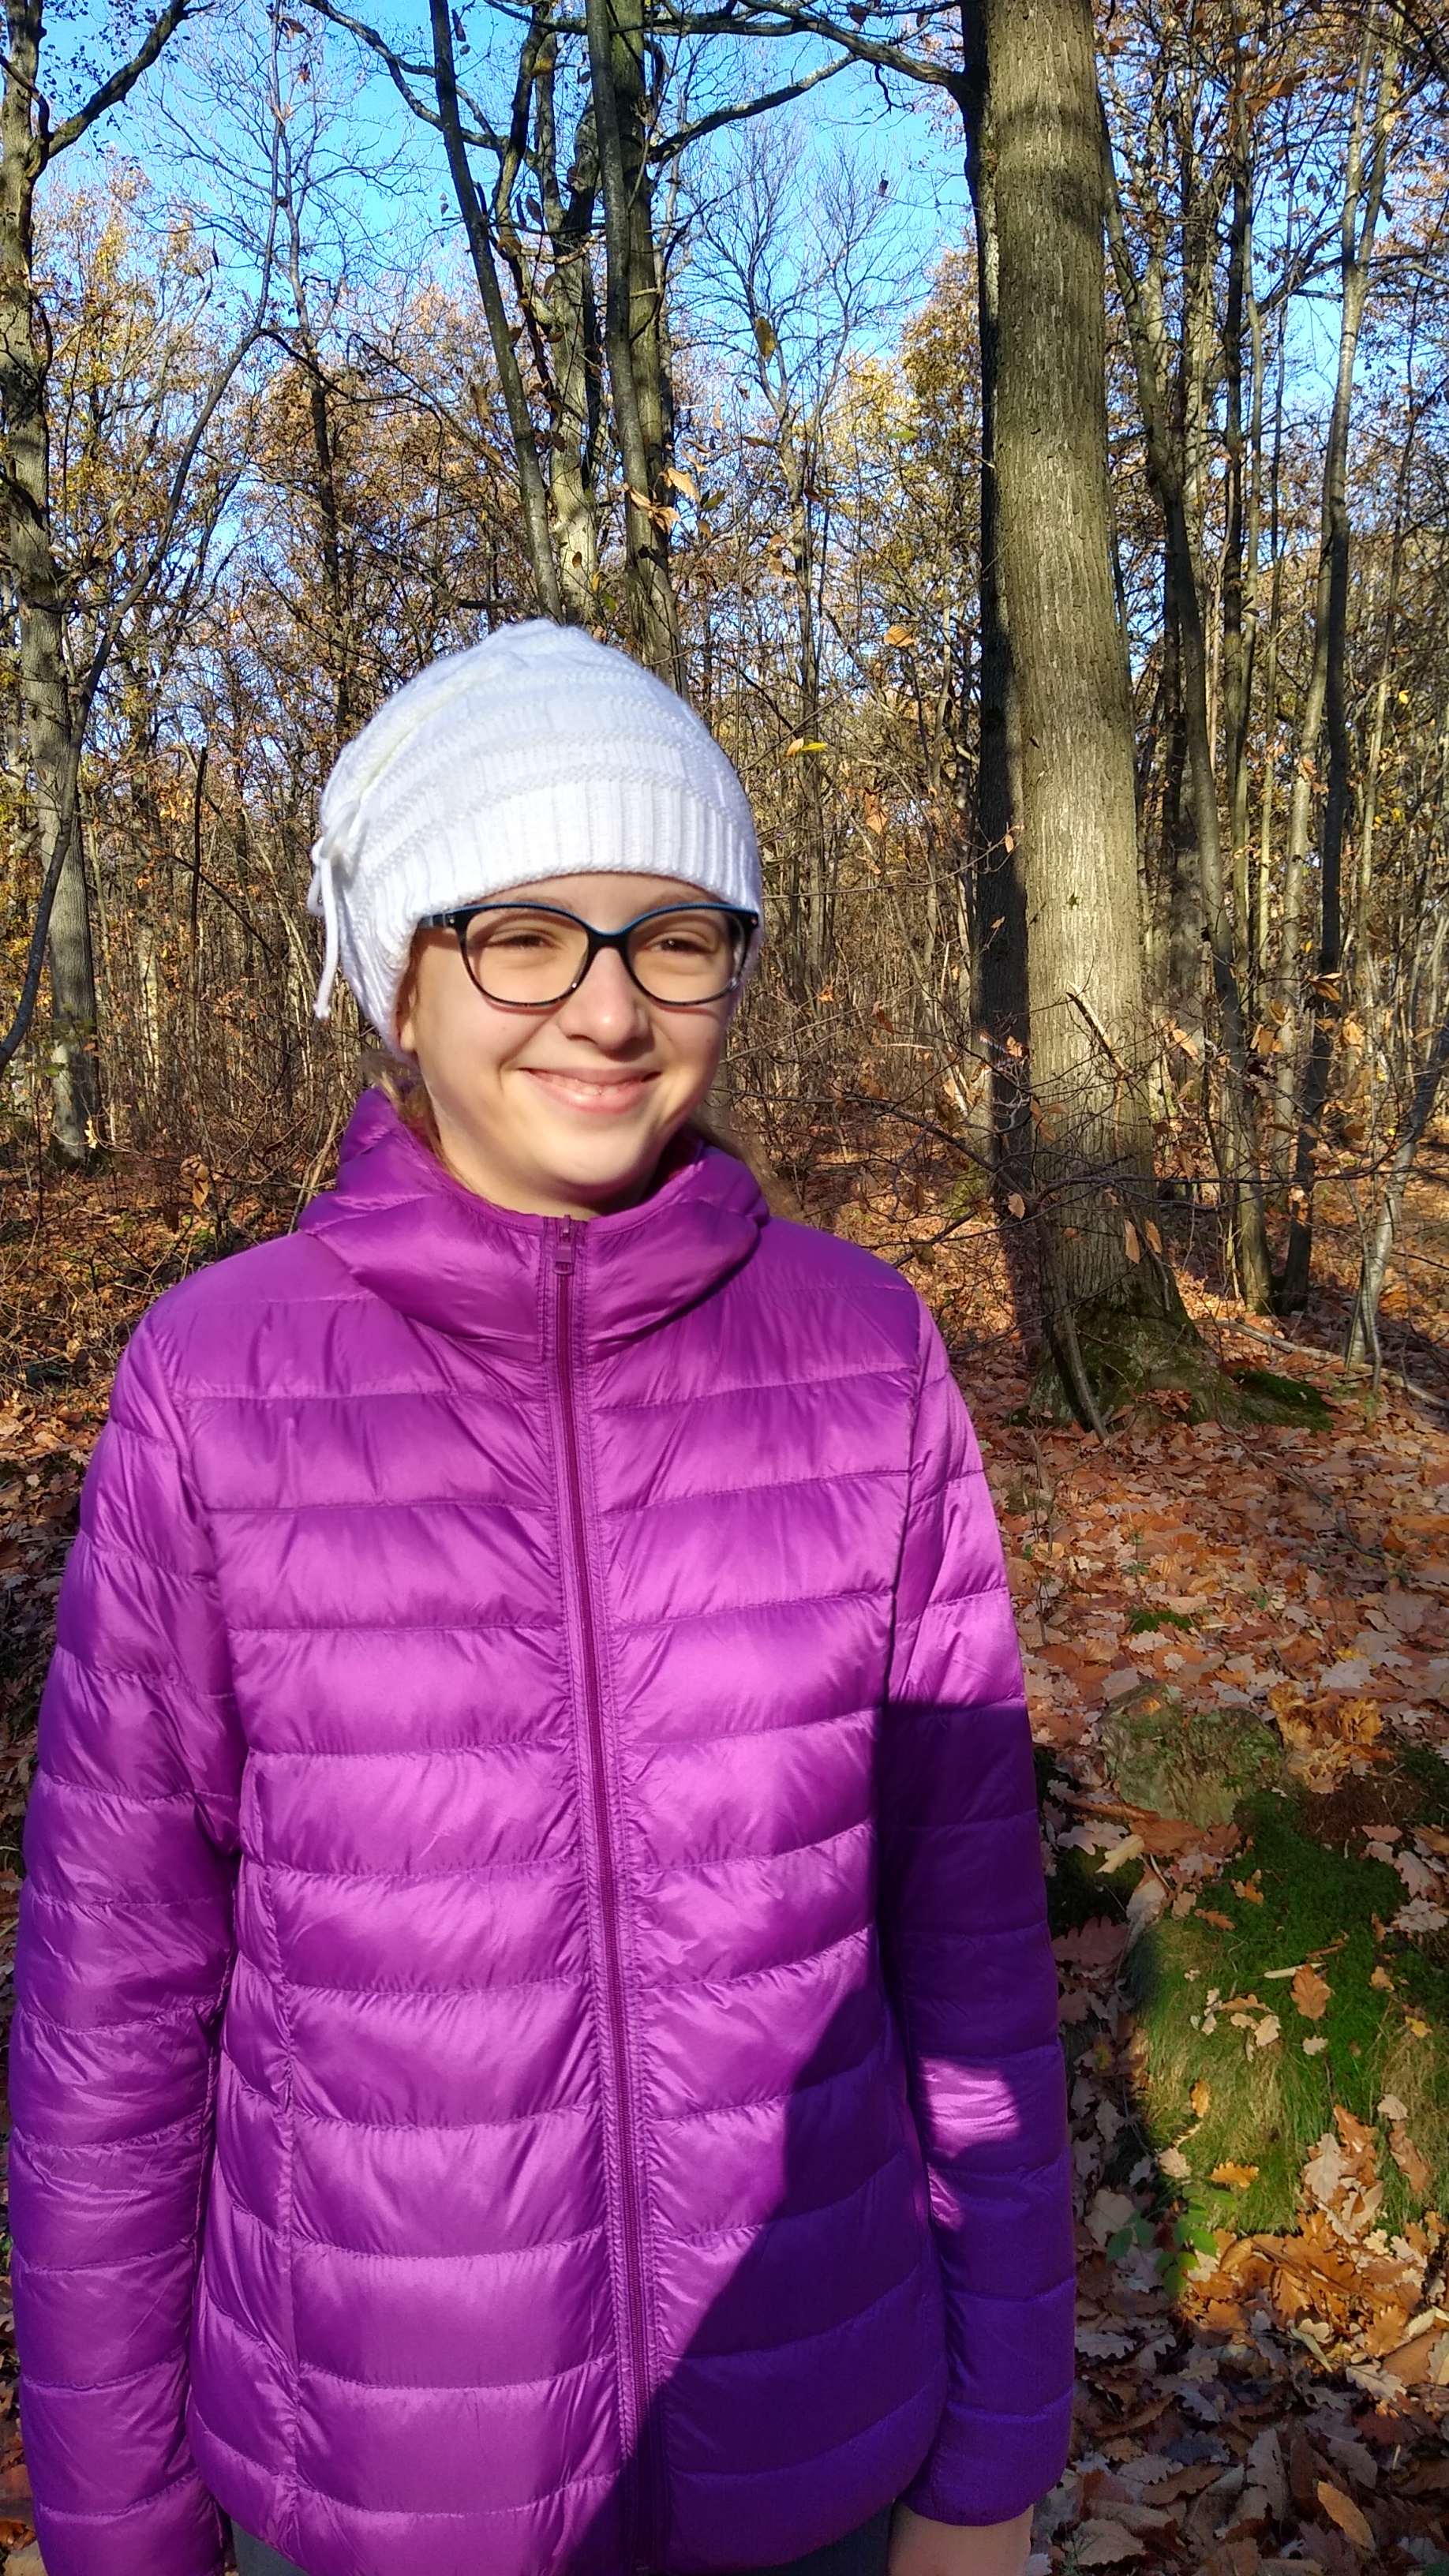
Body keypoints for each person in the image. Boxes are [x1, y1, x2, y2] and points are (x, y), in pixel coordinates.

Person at [10, 622, 1073, 2576]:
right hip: (374, 2491)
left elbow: (977, 1949)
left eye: (674, 937)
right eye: (523, 933)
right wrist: (115, 2523)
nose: (607, 1007)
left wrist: (996, 2459)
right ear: (398, 983)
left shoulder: (865, 1353)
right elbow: (114, 2020)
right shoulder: (216, 1384)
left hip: (817, 2461)